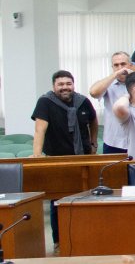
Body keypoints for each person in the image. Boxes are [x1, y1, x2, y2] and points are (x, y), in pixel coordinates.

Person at [31, 70, 98, 247]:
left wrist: (93, 144)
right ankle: (59, 242)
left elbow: (94, 120)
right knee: (57, 202)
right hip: (57, 160)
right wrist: (37, 155)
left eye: (68, 84)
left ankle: (83, 238)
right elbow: (40, 129)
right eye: (60, 84)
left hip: (82, 159)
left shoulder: (82, 101)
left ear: (73, 85)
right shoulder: (45, 102)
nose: (65, 87)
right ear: (54, 86)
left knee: (85, 200)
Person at [88, 51, 131, 154]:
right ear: (112, 67)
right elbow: (93, 92)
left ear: (130, 65)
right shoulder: (108, 84)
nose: (120, 67)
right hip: (113, 142)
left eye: (123, 64)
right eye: (116, 65)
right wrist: (115, 75)